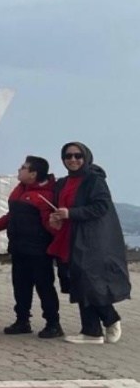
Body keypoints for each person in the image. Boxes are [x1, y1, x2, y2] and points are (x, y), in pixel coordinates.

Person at [48, 142, 130, 345]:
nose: (73, 159)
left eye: (77, 156)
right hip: (70, 236)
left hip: (91, 239)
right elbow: (62, 207)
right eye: (68, 156)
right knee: (79, 283)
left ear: (86, 157)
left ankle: (110, 319)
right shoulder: (63, 182)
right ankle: (92, 331)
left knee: (89, 282)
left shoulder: (94, 180)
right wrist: (58, 217)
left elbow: (101, 206)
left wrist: (71, 213)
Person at [0, 155, 62, 338]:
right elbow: (13, 215)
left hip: (39, 250)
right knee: (20, 286)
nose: (19, 170)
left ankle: (53, 323)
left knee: (44, 286)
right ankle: (22, 320)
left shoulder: (45, 195)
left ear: (33, 174)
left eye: (23, 167)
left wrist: (55, 228)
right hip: (19, 247)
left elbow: (50, 224)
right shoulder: (20, 189)